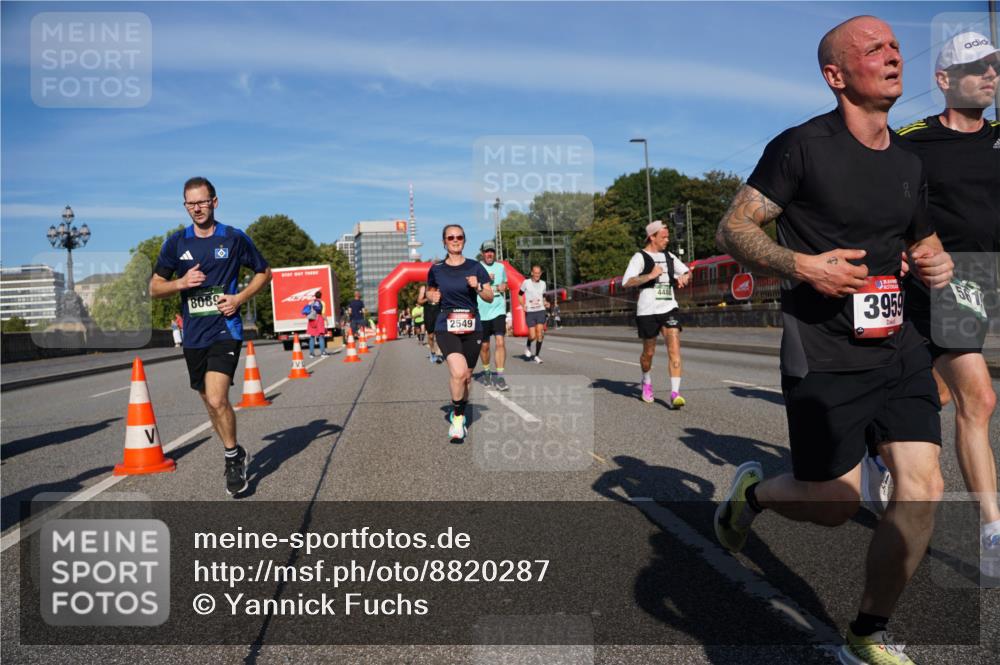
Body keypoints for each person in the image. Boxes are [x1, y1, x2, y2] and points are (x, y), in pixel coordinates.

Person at [713, 17, 953, 664]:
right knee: (833, 502)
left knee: (922, 483)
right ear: (836, 75)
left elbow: (921, 241)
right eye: (875, 49)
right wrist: (803, 266)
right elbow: (732, 229)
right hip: (823, 347)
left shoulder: (908, 162)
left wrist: (936, 262)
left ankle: (866, 631)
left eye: (896, 46)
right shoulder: (801, 147)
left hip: (896, 345)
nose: (895, 56)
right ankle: (755, 493)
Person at [868, 32, 1000, 578]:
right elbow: (881, 199)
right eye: (975, 68)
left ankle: (881, 452)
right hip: (926, 279)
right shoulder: (914, 141)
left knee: (939, 393)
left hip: (978, 284)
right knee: (981, 397)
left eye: (993, 66)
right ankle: (993, 531)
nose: (989, 75)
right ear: (944, 81)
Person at [150, 176, 271, 497]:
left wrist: (239, 299)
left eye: (202, 202)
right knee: (209, 401)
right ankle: (237, 451)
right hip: (193, 335)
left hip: (225, 329)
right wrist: (180, 282)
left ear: (214, 202)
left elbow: (264, 271)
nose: (197, 208)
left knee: (218, 398)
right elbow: (154, 287)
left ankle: (232, 458)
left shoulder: (233, 238)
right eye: (190, 203)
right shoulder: (177, 243)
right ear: (185, 206)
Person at [426, 225, 493, 442]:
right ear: (444, 242)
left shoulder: (476, 267)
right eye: (451, 237)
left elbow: (490, 297)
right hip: (447, 325)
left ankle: (461, 410)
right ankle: (457, 419)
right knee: (458, 372)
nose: (455, 240)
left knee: (467, 377)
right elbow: (431, 291)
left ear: (465, 240)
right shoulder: (436, 269)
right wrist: (431, 297)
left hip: (472, 326)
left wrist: (478, 286)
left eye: (459, 237)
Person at [622, 220, 691, 408]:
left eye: (667, 236)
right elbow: (626, 282)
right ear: (652, 237)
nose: (667, 240)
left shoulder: (669, 256)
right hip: (647, 311)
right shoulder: (639, 257)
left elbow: (686, 270)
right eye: (663, 237)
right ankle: (646, 380)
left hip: (669, 307)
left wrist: (686, 275)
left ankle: (675, 393)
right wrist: (650, 276)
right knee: (649, 353)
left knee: (674, 348)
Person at [477, 241, 509, 391]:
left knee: (500, 342)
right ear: (482, 253)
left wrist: (504, 286)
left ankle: (500, 376)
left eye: (492, 251)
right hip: (482, 312)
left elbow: (505, 285)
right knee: (484, 346)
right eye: (487, 251)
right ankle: (487, 371)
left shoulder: (501, 267)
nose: (489, 254)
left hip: (498, 310)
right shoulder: (476, 268)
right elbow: (473, 287)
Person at [519, 265, 548, 363]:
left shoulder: (543, 284)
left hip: (540, 310)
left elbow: (543, 296)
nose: (537, 275)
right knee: (532, 336)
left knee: (540, 333)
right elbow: (519, 295)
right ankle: (528, 345)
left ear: (541, 273)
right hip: (530, 312)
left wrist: (545, 302)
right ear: (532, 273)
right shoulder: (526, 283)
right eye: (535, 273)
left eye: (539, 273)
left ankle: (537, 355)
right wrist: (523, 305)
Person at [418, 277, 443, 363]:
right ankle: (432, 352)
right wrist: (428, 298)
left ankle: (439, 354)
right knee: (431, 336)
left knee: (440, 334)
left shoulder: (440, 287)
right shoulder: (424, 288)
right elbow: (419, 301)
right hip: (429, 312)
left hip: (439, 311)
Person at [303, 290, 329, 358]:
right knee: (321, 336)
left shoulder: (311, 302)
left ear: (315, 296)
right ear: (321, 296)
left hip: (311, 319)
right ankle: (323, 352)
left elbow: (307, 310)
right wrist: (326, 320)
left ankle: (311, 354)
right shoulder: (322, 303)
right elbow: (323, 313)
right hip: (319, 319)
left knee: (312, 336)